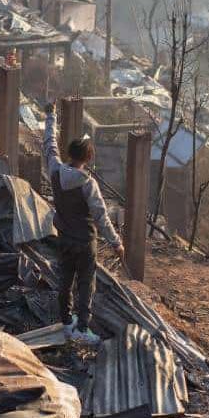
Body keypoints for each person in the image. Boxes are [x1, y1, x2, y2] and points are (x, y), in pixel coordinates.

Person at [43, 101, 125, 344]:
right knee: (86, 285)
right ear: (88, 158)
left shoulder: (55, 170)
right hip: (85, 241)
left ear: (69, 153)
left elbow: (48, 143)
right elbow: (101, 216)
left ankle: (66, 323)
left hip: (64, 237)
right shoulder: (88, 184)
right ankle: (82, 327)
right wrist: (116, 243)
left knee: (65, 281)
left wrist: (51, 115)